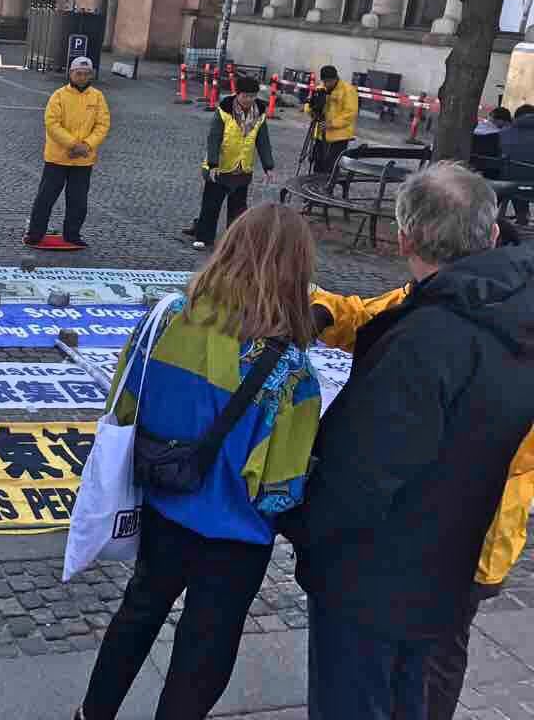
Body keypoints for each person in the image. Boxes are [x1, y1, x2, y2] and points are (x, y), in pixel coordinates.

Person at [281, 163, 534, 720]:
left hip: (400, 562)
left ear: (404, 239)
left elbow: (361, 473)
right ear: (493, 233)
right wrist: (324, 310)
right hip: (456, 545)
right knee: (419, 679)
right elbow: (385, 314)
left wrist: (301, 527)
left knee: (400, 682)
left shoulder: (429, 337)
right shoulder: (489, 295)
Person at [75, 203, 323, 720]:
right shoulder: (293, 372)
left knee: (137, 614)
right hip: (237, 537)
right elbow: (280, 488)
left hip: (163, 507)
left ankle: (91, 714)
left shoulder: (166, 319)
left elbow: (124, 405)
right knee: (204, 648)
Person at [310, 281, 534, 720]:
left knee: (428, 663)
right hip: (436, 532)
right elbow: (373, 316)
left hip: (471, 537)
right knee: (411, 662)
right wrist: (322, 308)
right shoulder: (444, 294)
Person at [23, 56, 110, 250]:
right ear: (71, 73)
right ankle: (35, 234)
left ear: (91, 75)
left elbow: (102, 125)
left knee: (78, 201)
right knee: (45, 198)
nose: (82, 77)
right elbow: (52, 124)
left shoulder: (97, 97)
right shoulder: (59, 96)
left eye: (86, 74)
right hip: (57, 158)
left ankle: (72, 235)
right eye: (78, 73)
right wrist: (73, 145)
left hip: (83, 160)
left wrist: (87, 145)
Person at [185, 77, 275, 250]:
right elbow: (214, 138)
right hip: (220, 167)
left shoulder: (260, 114)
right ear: (237, 94)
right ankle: (203, 236)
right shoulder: (224, 111)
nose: (249, 100)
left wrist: (268, 166)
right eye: (245, 96)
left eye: (252, 96)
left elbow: (263, 141)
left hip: (243, 168)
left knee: (238, 209)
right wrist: (213, 163)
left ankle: (234, 240)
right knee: (211, 205)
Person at [304, 64, 358, 174]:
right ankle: (316, 183)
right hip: (321, 135)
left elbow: (350, 114)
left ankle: (329, 184)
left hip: (339, 138)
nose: (326, 84)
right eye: (324, 81)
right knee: (318, 165)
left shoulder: (348, 90)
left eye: (329, 81)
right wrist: (311, 110)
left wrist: (332, 123)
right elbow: (309, 105)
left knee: (331, 168)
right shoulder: (320, 88)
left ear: (335, 78)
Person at [500, 103, 534, 225]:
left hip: (509, 186)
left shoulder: (502, 134)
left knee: (516, 176)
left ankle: (522, 216)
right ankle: (523, 217)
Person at [471, 106, 512, 180]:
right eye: (507, 123)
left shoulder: (475, 130)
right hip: (492, 173)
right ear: (501, 121)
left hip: (474, 170)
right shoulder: (499, 135)